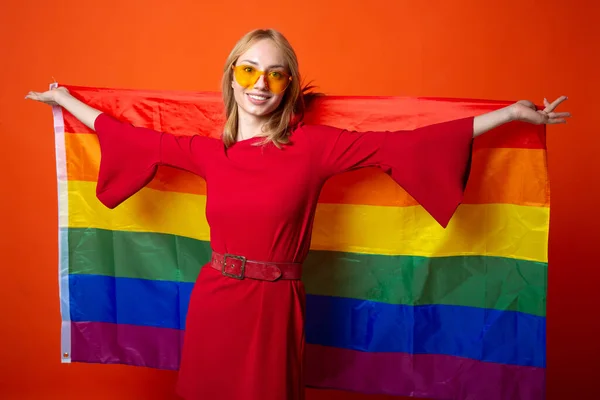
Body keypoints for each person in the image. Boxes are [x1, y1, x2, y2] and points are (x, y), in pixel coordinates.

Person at [26, 28, 570, 400]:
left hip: (275, 307)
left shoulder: (314, 147)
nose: (260, 83)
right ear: (232, 76)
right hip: (215, 302)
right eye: (249, 69)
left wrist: (510, 116)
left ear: (288, 85)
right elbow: (127, 137)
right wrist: (65, 101)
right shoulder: (209, 151)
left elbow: (408, 145)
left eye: (276, 74)